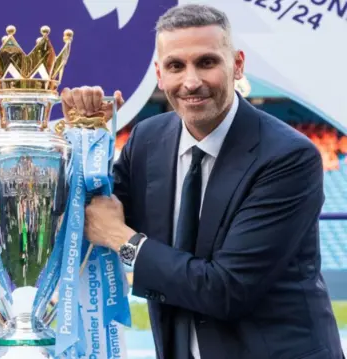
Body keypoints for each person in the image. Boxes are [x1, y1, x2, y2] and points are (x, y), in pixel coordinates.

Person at [67, 4, 344, 359]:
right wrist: (85, 135)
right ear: (159, 72)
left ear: (237, 64)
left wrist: (122, 240)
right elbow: (91, 215)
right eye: (176, 66)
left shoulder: (288, 156)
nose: (191, 81)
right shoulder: (146, 139)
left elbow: (226, 290)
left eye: (207, 62)